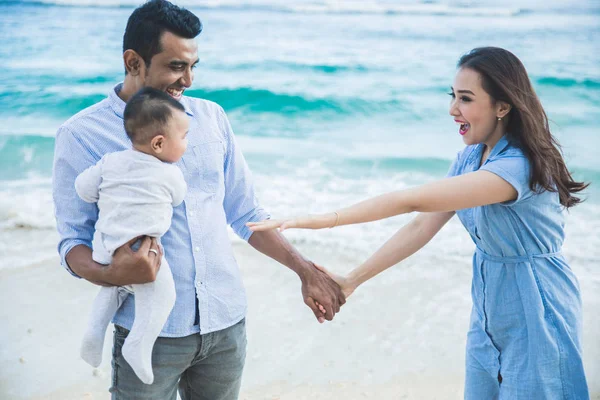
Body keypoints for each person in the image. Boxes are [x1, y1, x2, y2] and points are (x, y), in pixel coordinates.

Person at [248, 47, 590, 399]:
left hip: (538, 305)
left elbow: (410, 200)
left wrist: (320, 220)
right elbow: (420, 226)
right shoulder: (471, 157)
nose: (453, 109)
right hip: (490, 308)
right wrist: (351, 281)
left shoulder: (516, 166)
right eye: (453, 96)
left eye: (466, 99)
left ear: (503, 106)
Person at [52, 0, 344, 398]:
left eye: (193, 65)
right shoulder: (81, 135)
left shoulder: (211, 118)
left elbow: (246, 213)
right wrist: (112, 275)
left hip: (225, 325)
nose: (188, 80)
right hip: (149, 332)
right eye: (175, 66)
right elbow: (73, 240)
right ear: (133, 61)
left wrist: (305, 270)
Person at [76, 87, 188, 385]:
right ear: (160, 143)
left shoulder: (110, 161)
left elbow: (83, 190)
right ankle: (138, 344)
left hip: (105, 250)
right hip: (142, 250)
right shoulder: (170, 173)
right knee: (163, 295)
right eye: (184, 137)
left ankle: (93, 334)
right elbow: (178, 199)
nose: (186, 145)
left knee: (114, 290)